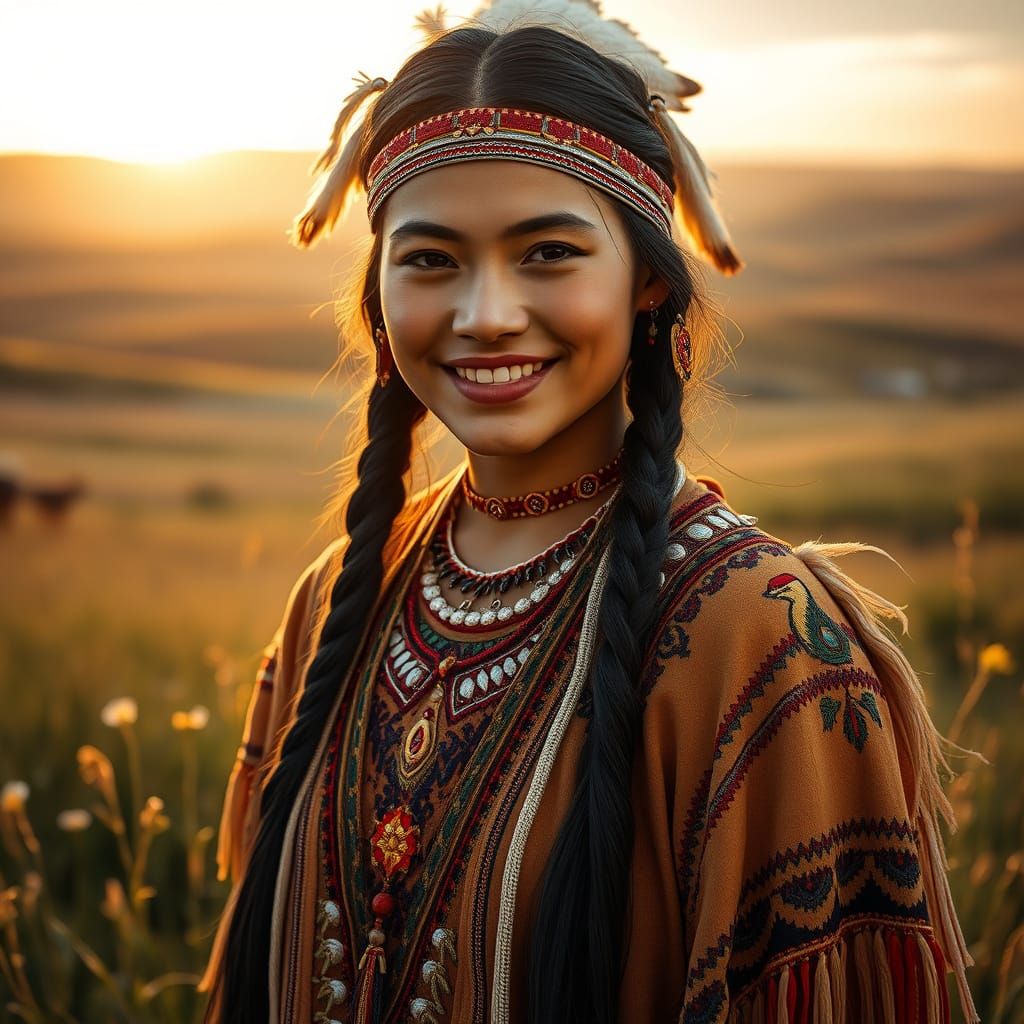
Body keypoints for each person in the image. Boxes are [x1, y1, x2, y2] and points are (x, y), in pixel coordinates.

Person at [198, 9, 979, 1024]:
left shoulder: (762, 639)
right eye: (429, 259)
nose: (484, 313)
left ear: (648, 278)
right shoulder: (334, 602)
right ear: (377, 293)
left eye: (548, 252)